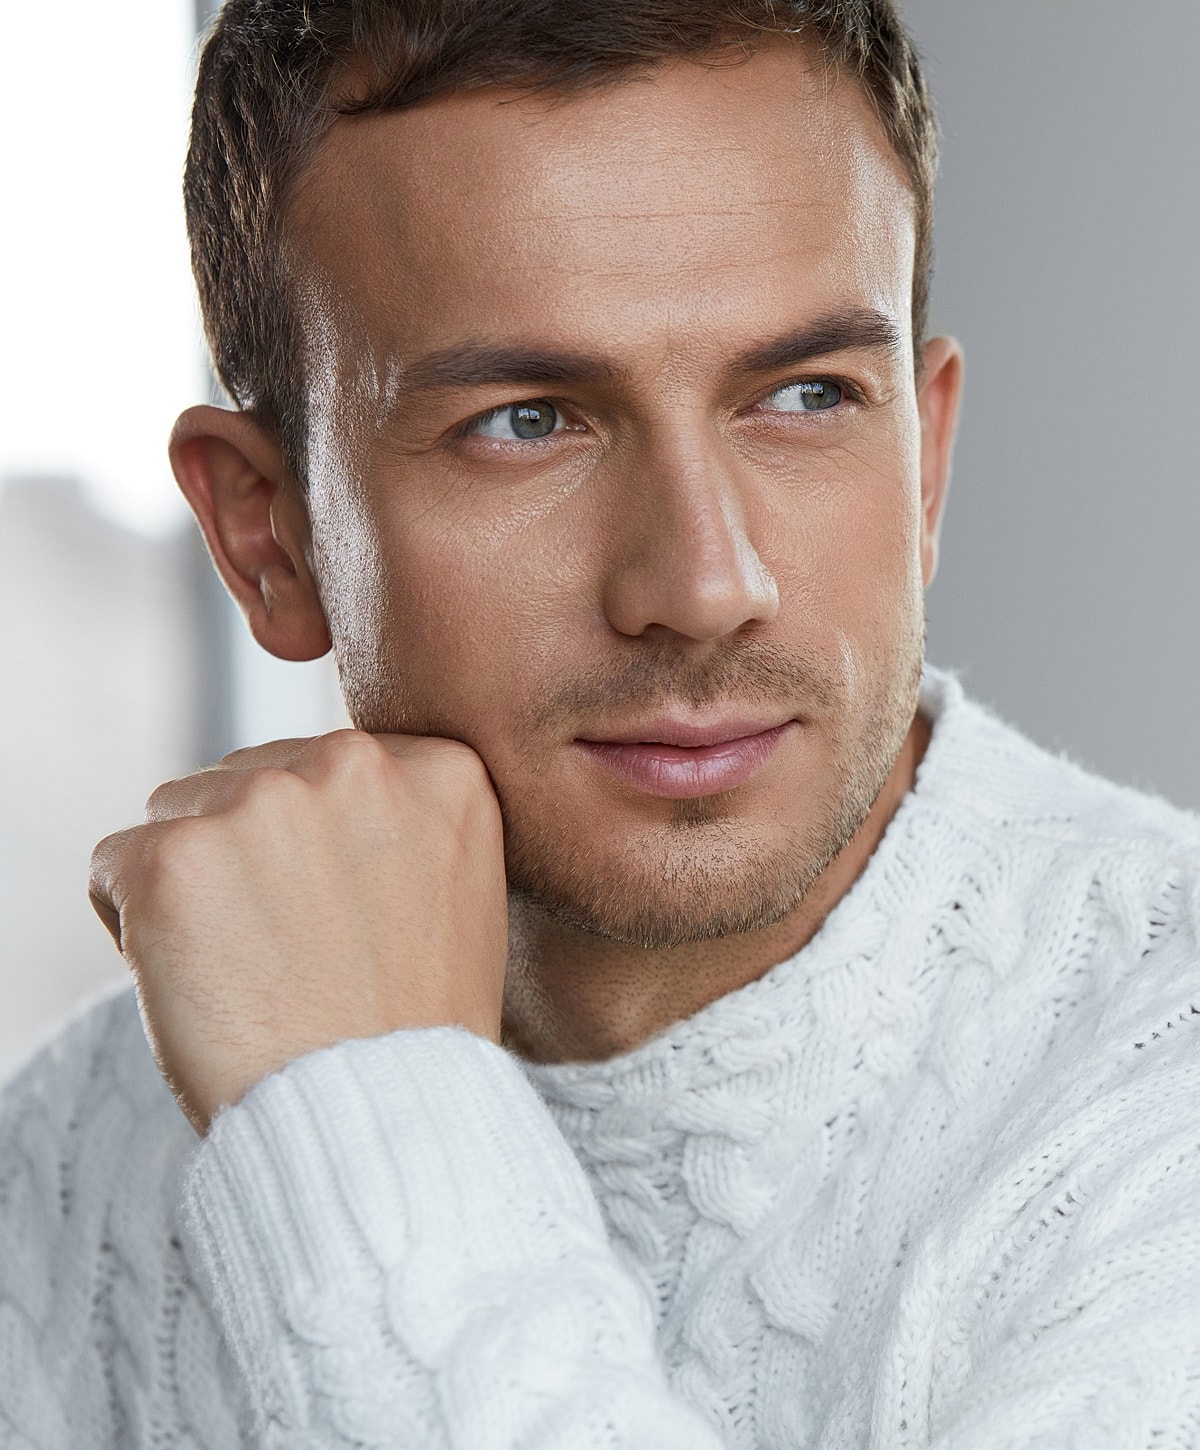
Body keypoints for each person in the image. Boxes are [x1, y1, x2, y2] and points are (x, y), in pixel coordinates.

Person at [2, 0, 1198, 1443]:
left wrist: (358, 1119)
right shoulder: (66, 1168)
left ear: (925, 461)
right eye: (528, 419)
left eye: (808, 396)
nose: (703, 584)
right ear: (270, 536)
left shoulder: (1158, 1090)